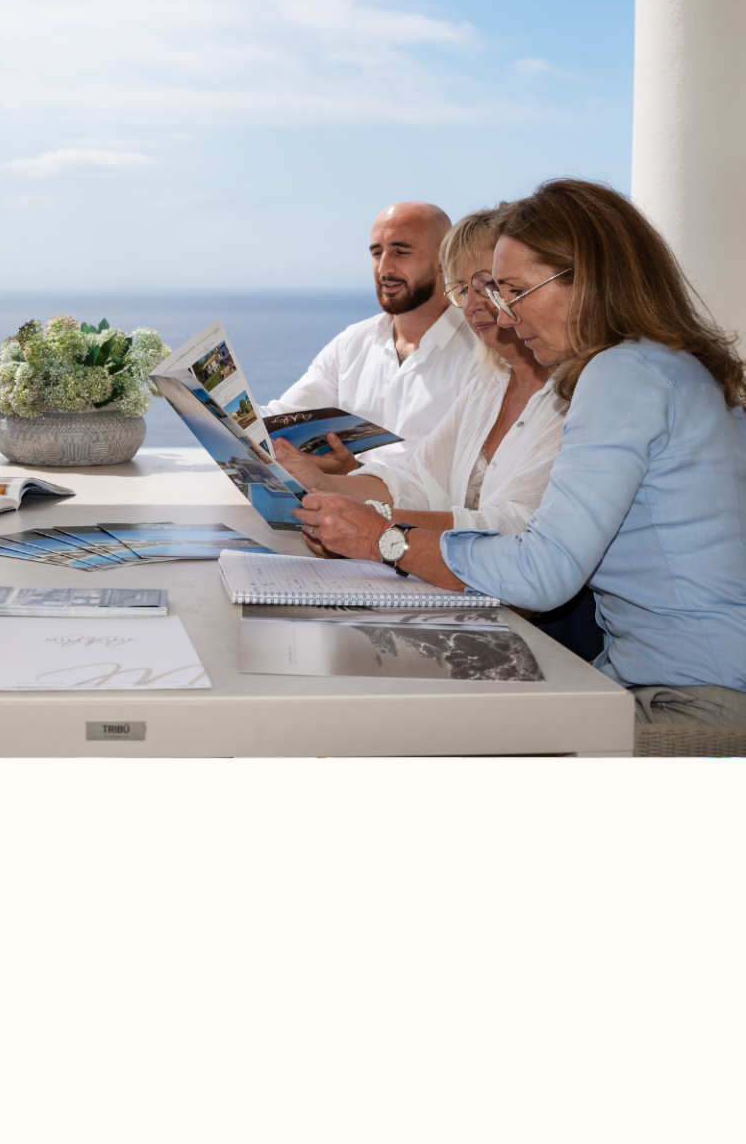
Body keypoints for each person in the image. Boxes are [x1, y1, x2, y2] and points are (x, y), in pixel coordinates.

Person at [296, 179, 746, 735]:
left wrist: (383, 540)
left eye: (514, 291)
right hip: (655, 681)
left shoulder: (620, 373)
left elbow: (542, 571)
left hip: (691, 703)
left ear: (587, 279)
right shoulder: (669, 364)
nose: (505, 315)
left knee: (403, 730)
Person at [274, 203, 565, 537]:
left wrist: (374, 532)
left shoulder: (564, 392)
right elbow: (418, 481)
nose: (472, 305)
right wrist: (322, 482)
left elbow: (514, 530)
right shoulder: (491, 384)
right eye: (463, 289)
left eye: (492, 285)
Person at [262, 201, 479, 472]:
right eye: (377, 253)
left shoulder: (479, 353)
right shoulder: (351, 344)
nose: (383, 268)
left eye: (400, 252)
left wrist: (353, 473)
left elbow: (466, 479)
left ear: (443, 261)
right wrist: (221, 409)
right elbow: (283, 418)